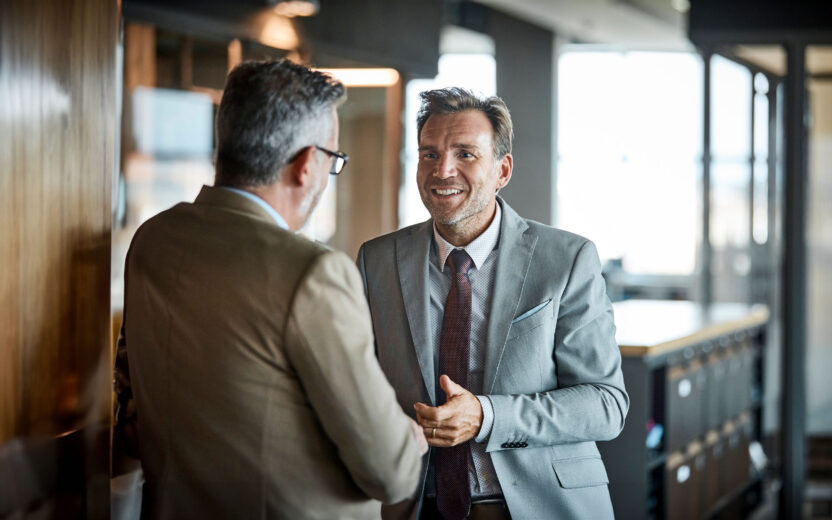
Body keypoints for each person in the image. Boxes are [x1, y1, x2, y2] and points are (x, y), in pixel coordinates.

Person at [115, 59, 426, 520]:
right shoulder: (313, 274)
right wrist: (410, 437)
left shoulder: (153, 240)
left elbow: (133, 414)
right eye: (333, 160)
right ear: (305, 165)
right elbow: (392, 472)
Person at [357, 88, 629, 520]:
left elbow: (605, 404)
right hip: (415, 505)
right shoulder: (377, 260)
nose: (442, 170)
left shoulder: (566, 258)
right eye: (429, 154)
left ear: (502, 170)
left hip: (540, 504)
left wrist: (487, 416)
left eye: (465, 154)